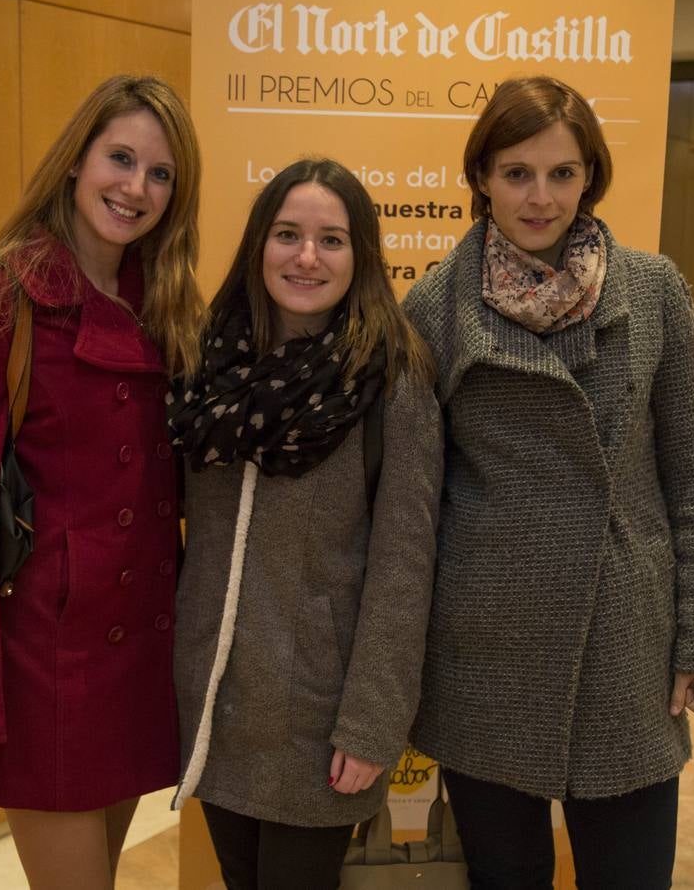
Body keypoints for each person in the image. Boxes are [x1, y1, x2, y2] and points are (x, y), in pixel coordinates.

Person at [403, 75, 694, 889]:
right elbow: (413, 504)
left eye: (560, 172)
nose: (539, 196)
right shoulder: (435, 307)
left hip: (626, 632)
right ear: (481, 177)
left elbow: (691, 476)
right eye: (516, 173)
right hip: (486, 646)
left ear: (590, 175)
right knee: (503, 873)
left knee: (631, 872)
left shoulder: (653, 290)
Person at [0, 74, 203, 890]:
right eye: (120, 157)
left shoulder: (169, 303)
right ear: (76, 161)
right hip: (46, 661)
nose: (135, 188)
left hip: (137, 653)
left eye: (160, 174)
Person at [166, 158, 443, 890]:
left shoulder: (393, 377)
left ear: (361, 256)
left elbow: (403, 566)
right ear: (258, 244)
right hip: (216, 700)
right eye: (287, 234)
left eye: (331, 239)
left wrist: (371, 724)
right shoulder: (205, 366)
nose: (306, 257)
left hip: (318, 716)